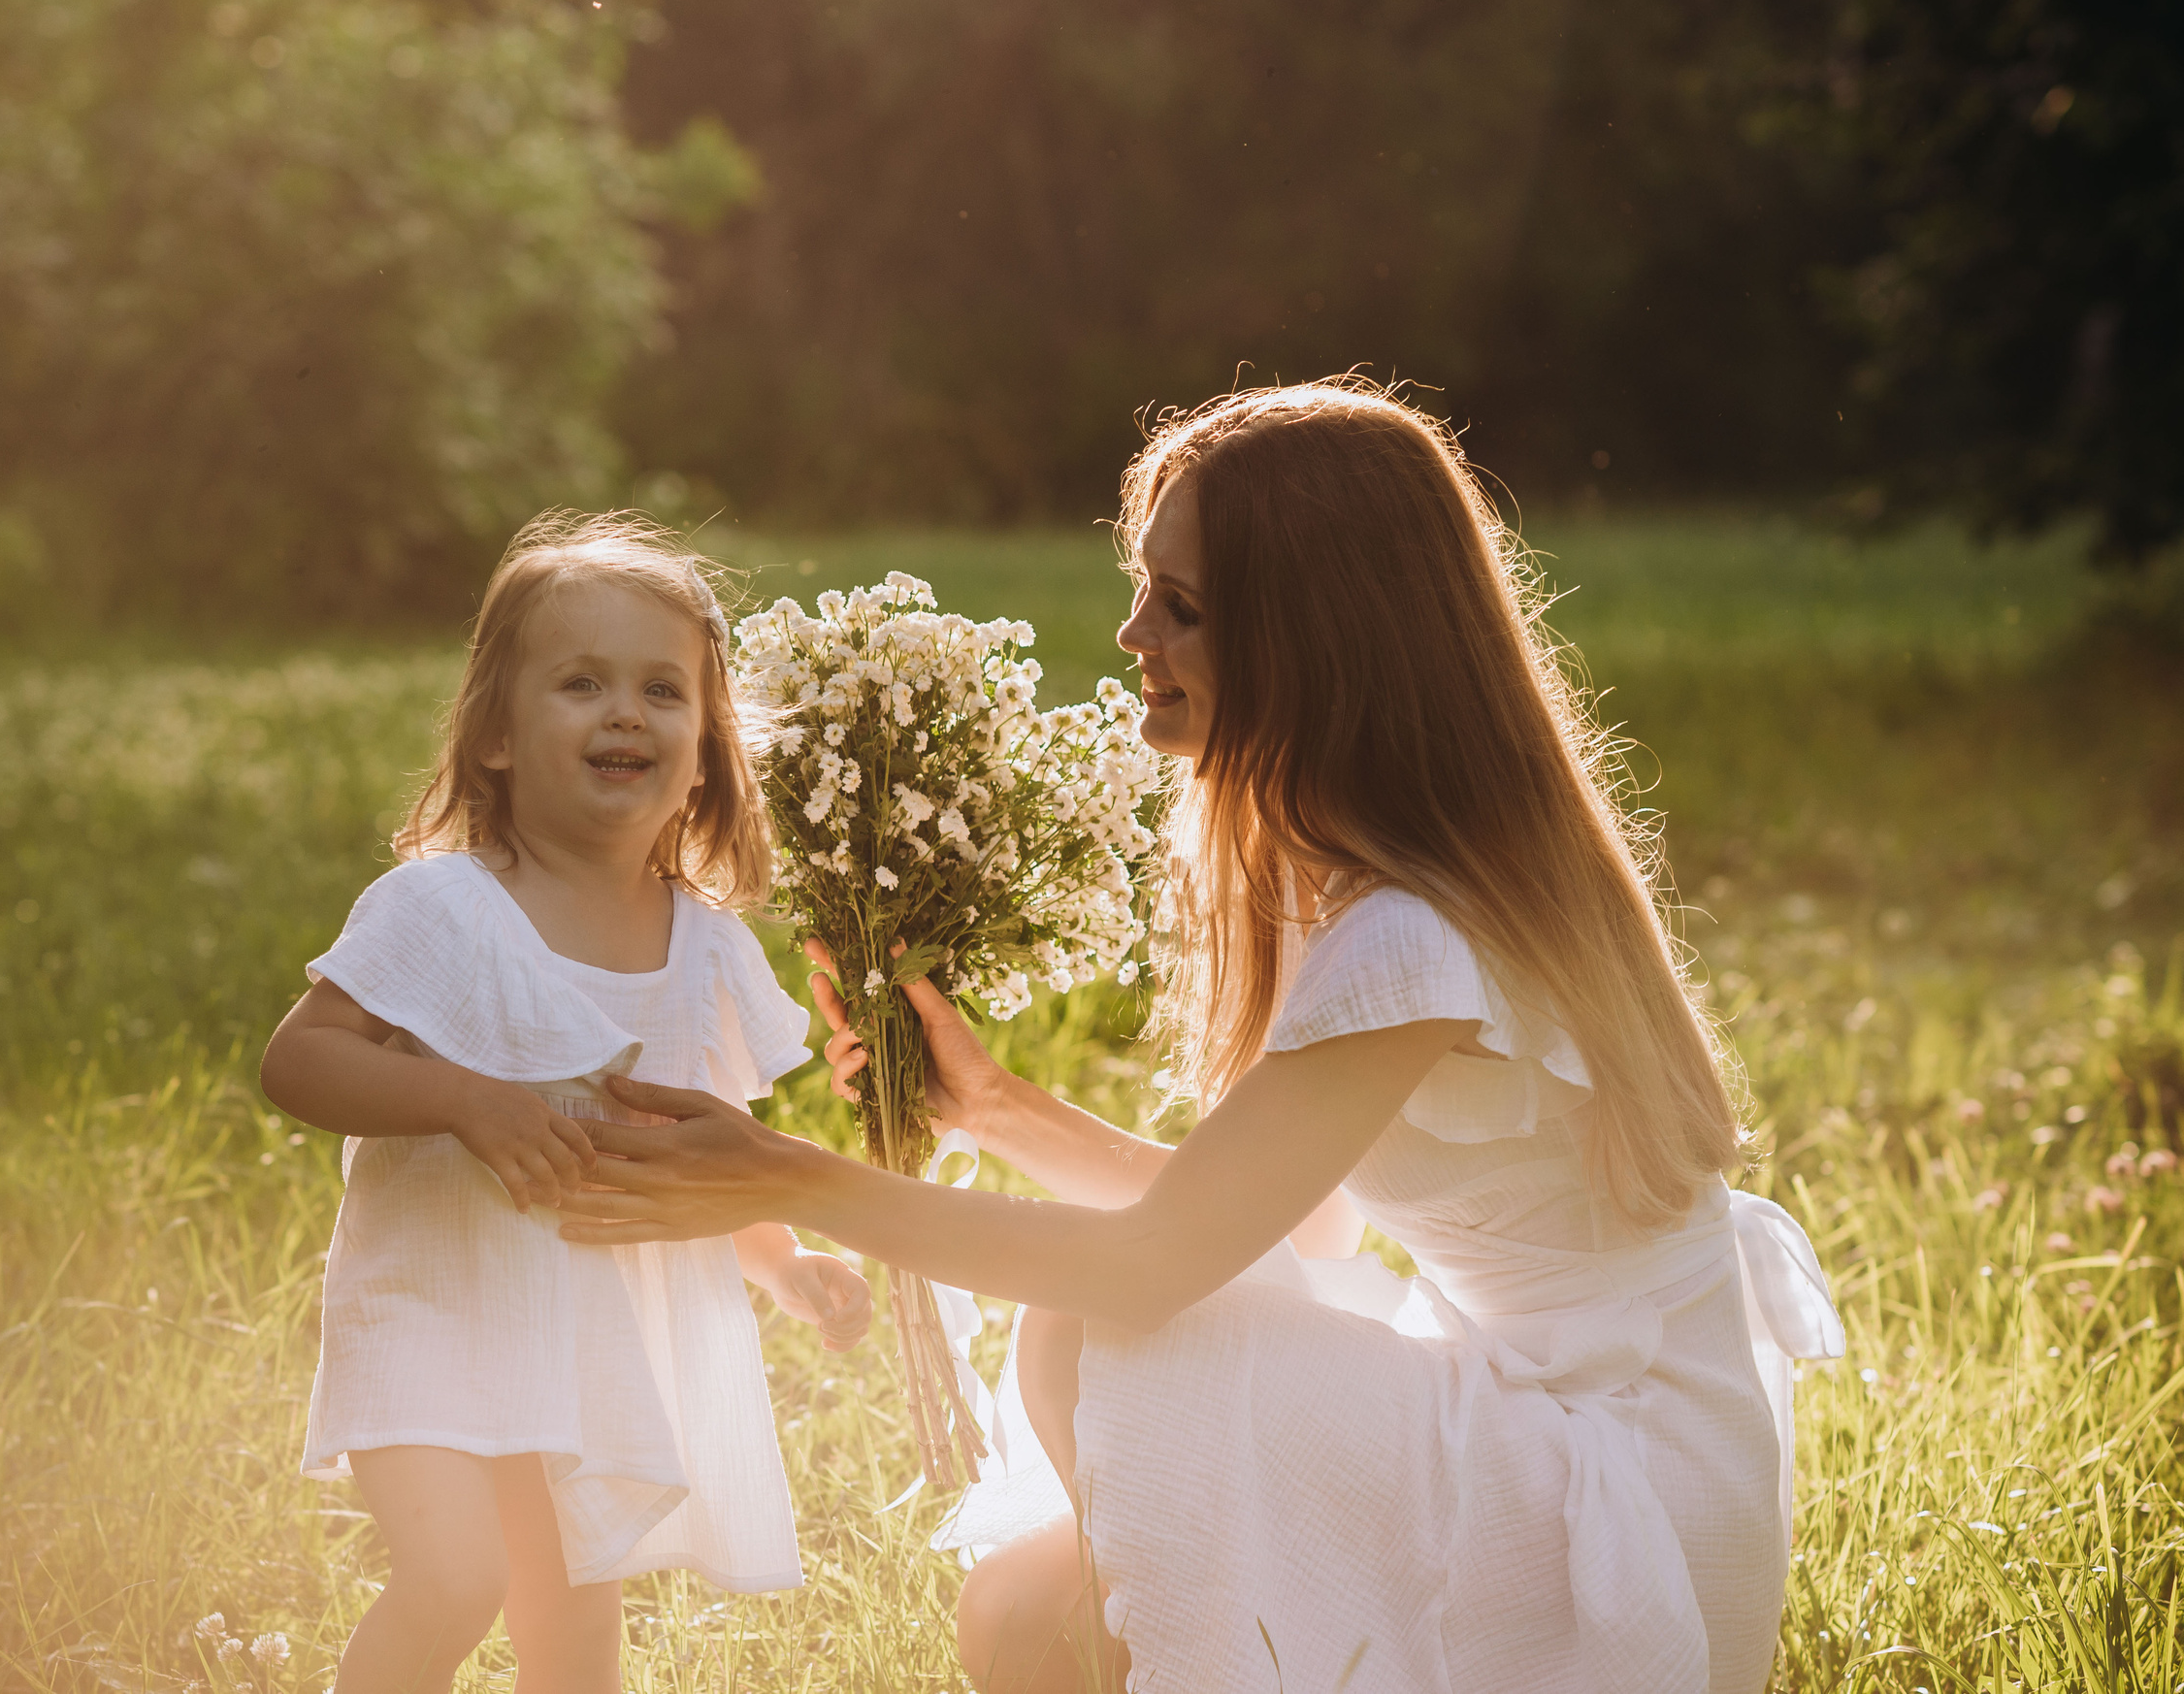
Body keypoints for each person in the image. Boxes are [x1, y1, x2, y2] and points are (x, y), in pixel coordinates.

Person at [556, 383, 1844, 1694]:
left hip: (1620, 1505)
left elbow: (1153, 1267)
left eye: (1180, 606)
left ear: (1312, 641)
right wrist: (990, 1104)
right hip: (1559, 1414)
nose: (1133, 634)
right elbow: (1297, 1233)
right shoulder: (1365, 874)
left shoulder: (1412, 932)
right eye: (1143, 590)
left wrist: (783, 1176)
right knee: (1022, 1609)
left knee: (1083, 1351)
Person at [260, 514, 873, 1694]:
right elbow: (302, 1060)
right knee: (454, 1579)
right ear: (494, 734)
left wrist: (780, 1260)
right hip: (434, 1306)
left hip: (591, 1343)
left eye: (661, 690)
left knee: (577, 1630)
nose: (625, 713)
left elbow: (696, 1149)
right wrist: (461, 1099)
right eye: (581, 682)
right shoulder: (445, 908)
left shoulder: (703, 949)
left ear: (707, 748)